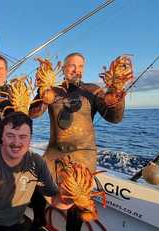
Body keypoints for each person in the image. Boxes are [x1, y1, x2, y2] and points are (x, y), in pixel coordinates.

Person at [29, 52, 126, 230]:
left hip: (83, 152)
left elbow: (114, 117)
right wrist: (41, 94)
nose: (77, 70)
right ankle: (38, 221)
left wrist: (116, 98)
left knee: (78, 195)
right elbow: (33, 114)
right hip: (54, 150)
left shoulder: (93, 90)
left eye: (81, 66)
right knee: (36, 180)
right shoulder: (54, 89)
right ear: (64, 68)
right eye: (72, 65)